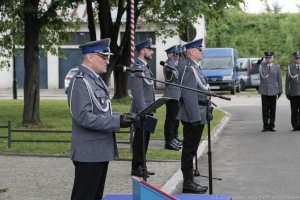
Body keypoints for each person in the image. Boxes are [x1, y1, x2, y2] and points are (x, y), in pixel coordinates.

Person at [67, 38, 134, 200]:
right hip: (89, 152)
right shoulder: (80, 81)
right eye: (104, 57)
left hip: (99, 150)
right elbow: (83, 117)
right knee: (84, 196)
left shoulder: (94, 79)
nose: (108, 61)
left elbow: (102, 110)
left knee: (95, 196)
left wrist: (121, 117)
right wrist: (116, 121)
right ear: (91, 58)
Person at [176, 38, 208, 194]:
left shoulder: (195, 67)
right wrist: (196, 118)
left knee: (192, 149)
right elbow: (189, 95)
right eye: (200, 49)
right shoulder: (189, 68)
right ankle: (188, 182)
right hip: (193, 116)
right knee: (189, 150)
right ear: (191, 52)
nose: (203, 51)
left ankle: (190, 179)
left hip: (199, 113)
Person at [128, 38, 156, 178]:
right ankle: (136, 167)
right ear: (143, 50)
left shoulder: (145, 67)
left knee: (145, 140)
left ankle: (143, 166)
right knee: (139, 141)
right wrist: (144, 111)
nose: (152, 52)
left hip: (148, 110)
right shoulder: (137, 67)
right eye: (150, 49)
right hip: (142, 111)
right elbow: (137, 92)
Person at [163, 45, 182, 151]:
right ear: (170, 54)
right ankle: (169, 141)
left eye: (177, 54)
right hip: (171, 95)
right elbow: (172, 77)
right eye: (175, 54)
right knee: (170, 119)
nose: (177, 56)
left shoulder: (175, 63)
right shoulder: (168, 64)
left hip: (177, 94)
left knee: (176, 118)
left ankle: (174, 137)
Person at [259, 51, 282, 132]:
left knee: (272, 109)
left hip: (273, 91)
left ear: (272, 58)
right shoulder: (261, 66)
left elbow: (279, 79)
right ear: (265, 58)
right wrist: (257, 63)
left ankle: (271, 125)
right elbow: (253, 71)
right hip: (264, 91)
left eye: (270, 58)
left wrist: (280, 91)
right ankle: (265, 126)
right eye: (267, 58)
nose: (268, 59)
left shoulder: (277, 67)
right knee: (265, 109)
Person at [285, 51, 300, 131]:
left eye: (299, 58)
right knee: (294, 111)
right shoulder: (290, 68)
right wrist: (287, 92)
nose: (298, 60)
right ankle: (295, 126)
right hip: (293, 93)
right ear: (294, 59)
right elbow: (287, 81)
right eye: (296, 58)